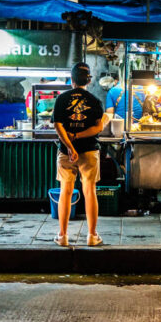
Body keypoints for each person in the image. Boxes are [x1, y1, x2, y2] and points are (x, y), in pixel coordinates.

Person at [52, 62, 107, 246]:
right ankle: (92, 236)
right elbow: (98, 127)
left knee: (65, 191)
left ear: (72, 80)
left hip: (65, 152)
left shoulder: (61, 99)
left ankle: (63, 236)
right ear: (88, 81)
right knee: (89, 191)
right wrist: (79, 136)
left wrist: (70, 145)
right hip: (90, 150)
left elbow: (57, 125)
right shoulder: (94, 100)